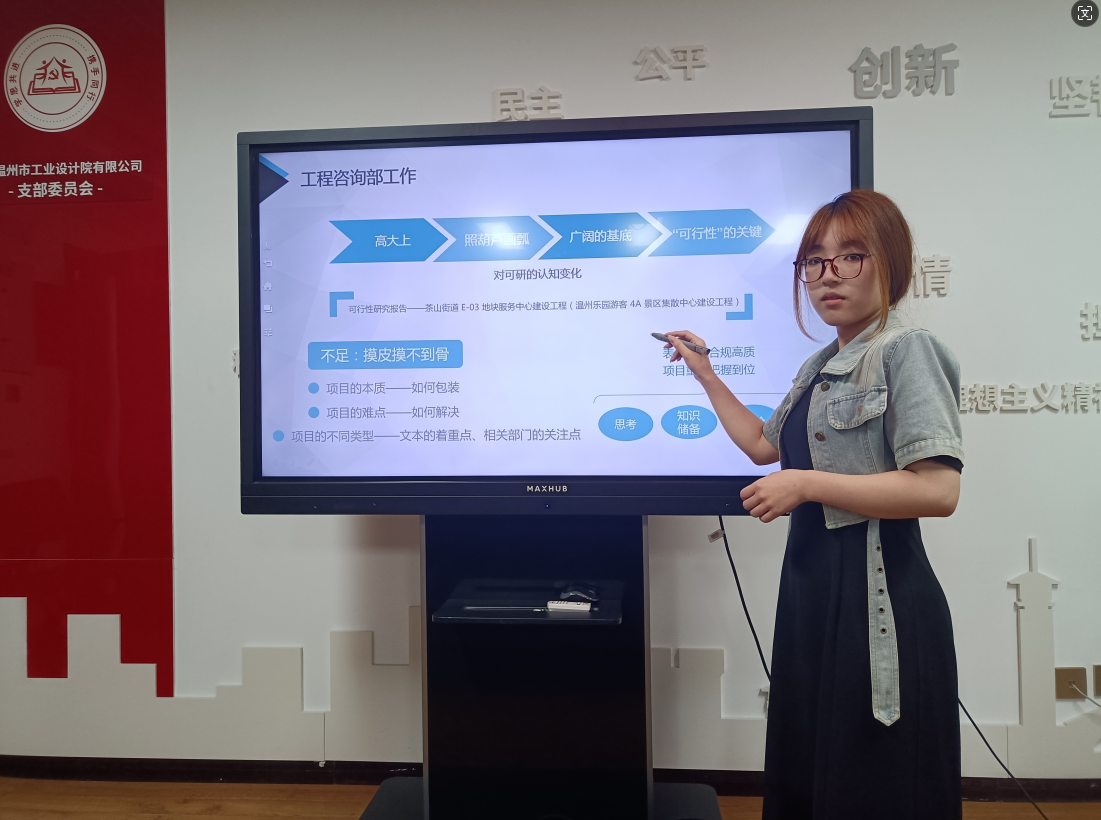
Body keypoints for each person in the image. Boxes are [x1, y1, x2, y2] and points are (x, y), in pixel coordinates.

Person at [664, 189, 964, 820]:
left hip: (877, 598)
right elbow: (761, 445)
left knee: (872, 780)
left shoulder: (906, 349)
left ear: (891, 263)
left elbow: (937, 490)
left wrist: (806, 485)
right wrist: (705, 373)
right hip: (811, 590)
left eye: (851, 256)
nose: (829, 275)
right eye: (815, 261)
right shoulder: (822, 362)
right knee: (810, 766)